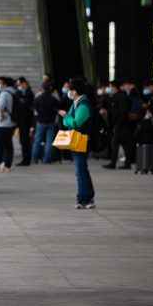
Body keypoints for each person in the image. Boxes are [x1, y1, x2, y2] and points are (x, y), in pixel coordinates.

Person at [58, 78, 95, 209]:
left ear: (74, 91)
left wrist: (65, 116)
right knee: (81, 170)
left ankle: (83, 197)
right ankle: (87, 196)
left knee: (80, 171)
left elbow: (75, 123)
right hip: (77, 140)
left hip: (82, 140)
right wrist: (67, 119)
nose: (68, 91)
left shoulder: (83, 105)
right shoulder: (75, 103)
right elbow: (67, 122)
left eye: (69, 89)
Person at [103, 80, 134, 170]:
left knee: (115, 142)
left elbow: (123, 111)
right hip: (118, 123)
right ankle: (127, 163)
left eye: (110, 86)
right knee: (124, 143)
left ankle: (113, 162)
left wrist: (118, 124)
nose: (109, 89)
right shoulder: (116, 96)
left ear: (114, 87)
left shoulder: (121, 96)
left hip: (121, 123)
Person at [31, 81, 58, 164]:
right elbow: (57, 109)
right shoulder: (54, 99)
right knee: (49, 140)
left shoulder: (38, 98)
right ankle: (47, 158)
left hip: (41, 121)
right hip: (51, 121)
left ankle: (34, 158)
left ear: (41, 89)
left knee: (37, 140)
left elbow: (33, 108)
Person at [15, 77, 35, 166]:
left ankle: (26, 159)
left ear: (24, 83)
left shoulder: (29, 94)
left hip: (26, 120)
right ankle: (25, 158)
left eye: (19, 85)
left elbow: (25, 105)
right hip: (23, 119)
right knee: (23, 139)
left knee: (25, 140)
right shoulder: (23, 93)